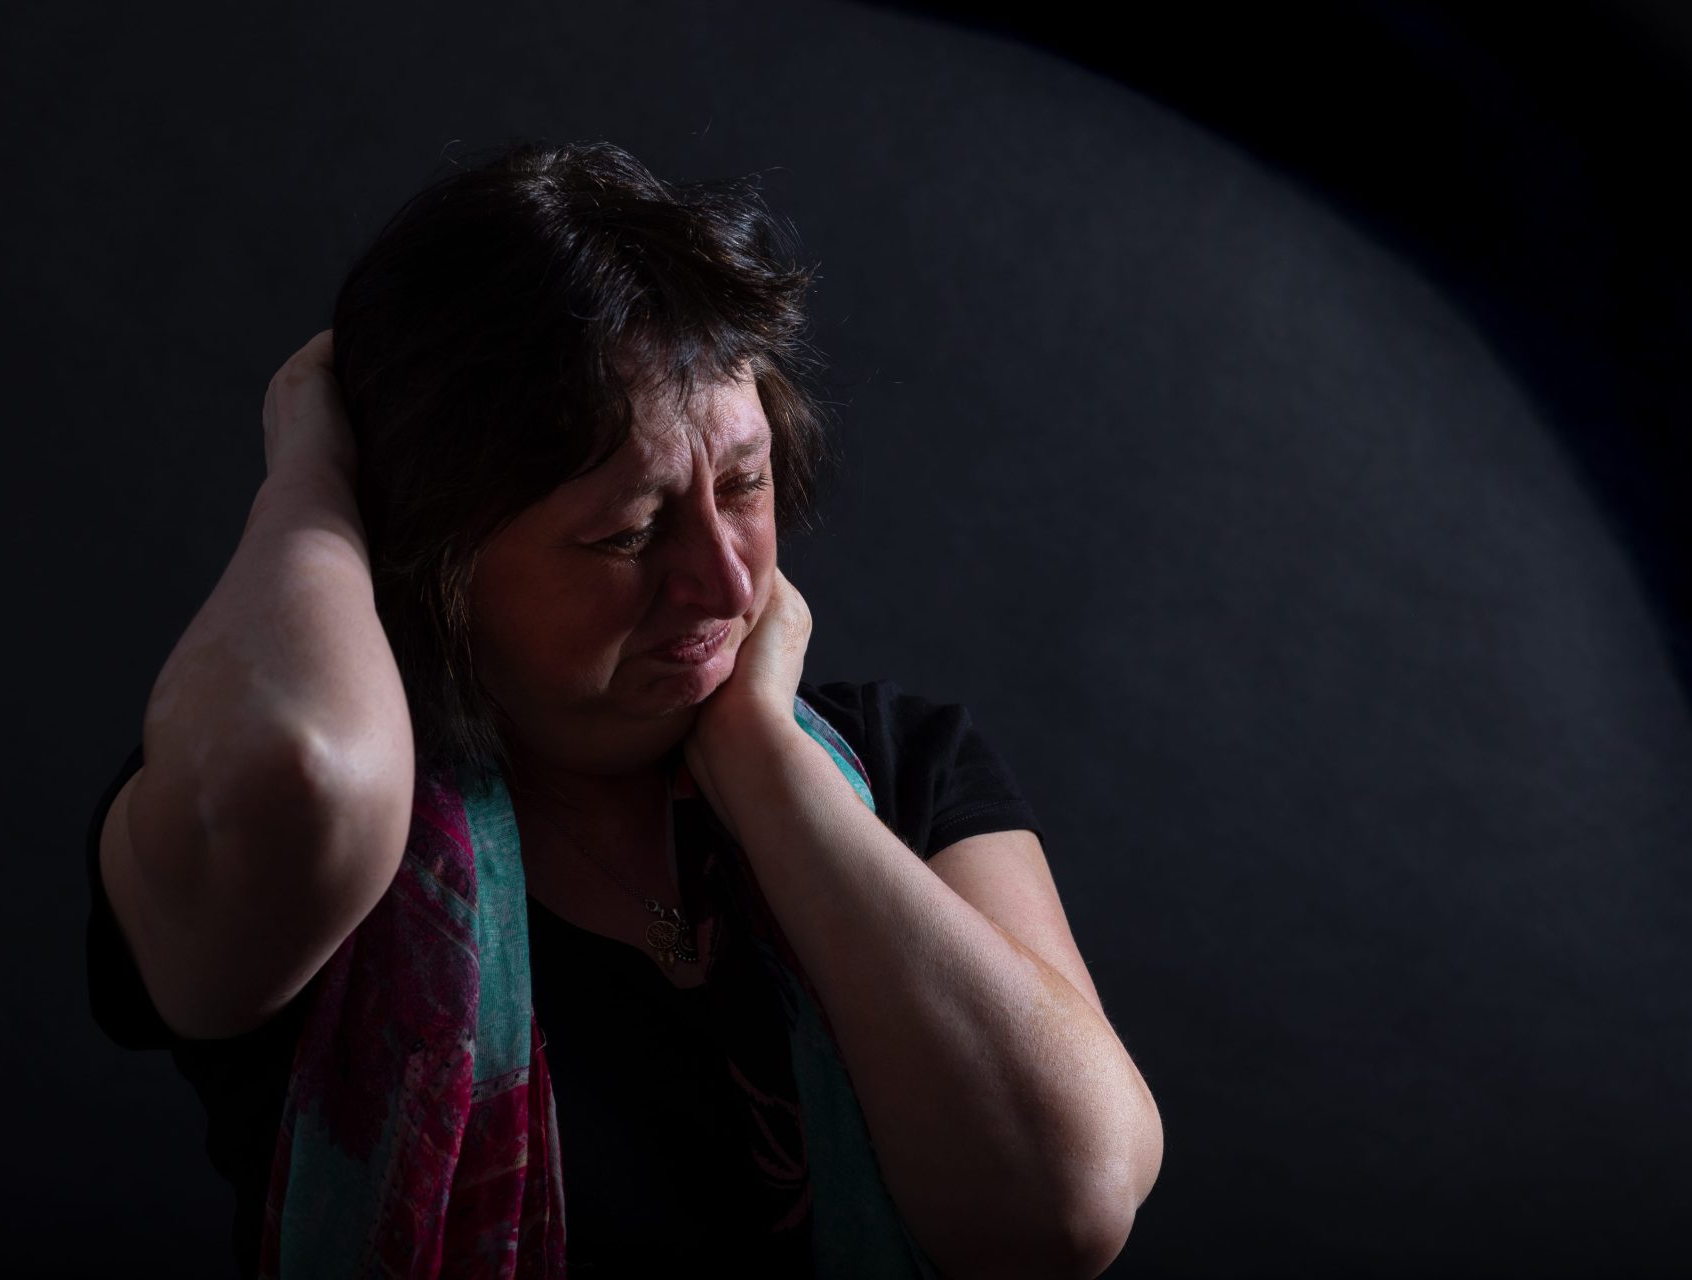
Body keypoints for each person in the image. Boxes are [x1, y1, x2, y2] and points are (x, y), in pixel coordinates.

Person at [85, 140, 1162, 1279]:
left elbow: (1067, 1201)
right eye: (629, 531)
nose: (727, 583)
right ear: (432, 552)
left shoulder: (904, 765)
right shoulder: (266, 809)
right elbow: (304, 774)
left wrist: (765, 759)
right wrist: (312, 471)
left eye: (742, 484)